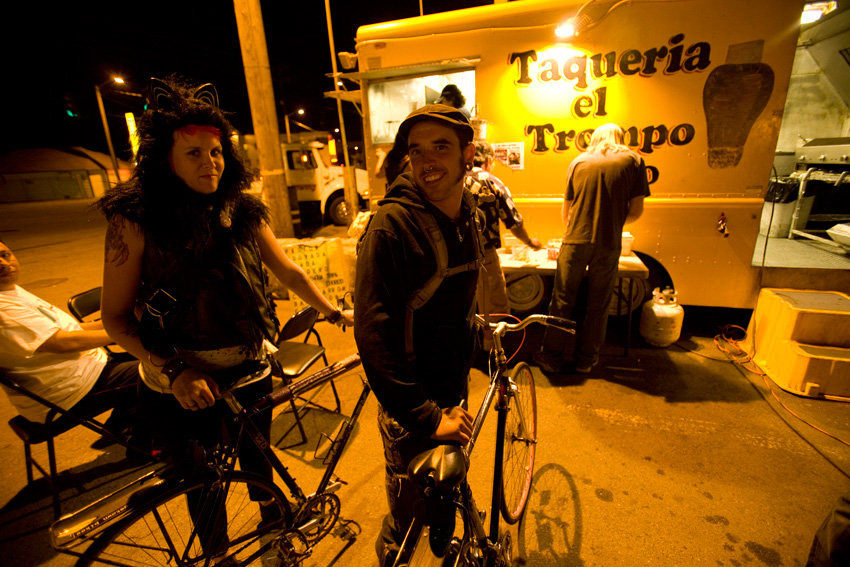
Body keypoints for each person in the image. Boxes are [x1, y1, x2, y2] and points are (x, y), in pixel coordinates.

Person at [96, 76, 353, 556]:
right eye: (193, 153)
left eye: (215, 152)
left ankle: (277, 528)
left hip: (250, 369)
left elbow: (290, 272)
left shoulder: (240, 209)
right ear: (164, 159)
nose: (209, 163)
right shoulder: (132, 220)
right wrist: (175, 371)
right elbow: (116, 320)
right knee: (202, 483)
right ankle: (218, 556)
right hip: (179, 383)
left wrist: (333, 310)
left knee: (258, 463)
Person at [354, 104, 483, 567]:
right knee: (408, 513)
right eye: (416, 150)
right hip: (413, 406)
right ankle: (396, 555)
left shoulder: (467, 210)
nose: (427, 160)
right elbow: (372, 337)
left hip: (453, 390)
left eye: (441, 147)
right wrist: (425, 418)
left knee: (446, 489)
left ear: (468, 154)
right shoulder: (391, 227)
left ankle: (444, 542)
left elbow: (461, 291)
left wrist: (483, 339)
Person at [0, 239, 142, 450]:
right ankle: (150, 444)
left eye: (5, 254)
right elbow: (63, 342)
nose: (2, 263)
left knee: (146, 357)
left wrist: (121, 322)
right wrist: (124, 332)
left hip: (85, 373)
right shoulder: (4, 309)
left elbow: (70, 330)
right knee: (161, 371)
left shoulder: (10, 292)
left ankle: (123, 426)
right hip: (66, 394)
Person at [533, 123, 650, 374]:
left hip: (575, 240)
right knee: (599, 303)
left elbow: (566, 213)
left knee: (562, 300)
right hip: (609, 243)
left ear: (594, 138)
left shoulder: (578, 162)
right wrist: (612, 223)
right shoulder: (635, 162)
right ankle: (586, 360)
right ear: (620, 137)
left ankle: (552, 357)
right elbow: (636, 211)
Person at [466, 142, 542, 330]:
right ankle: (492, 352)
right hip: (484, 255)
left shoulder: (454, 179)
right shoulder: (491, 181)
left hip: (452, 255)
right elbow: (512, 221)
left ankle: (466, 354)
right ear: (488, 160)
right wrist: (529, 241)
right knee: (495, 309)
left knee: (462, 308)